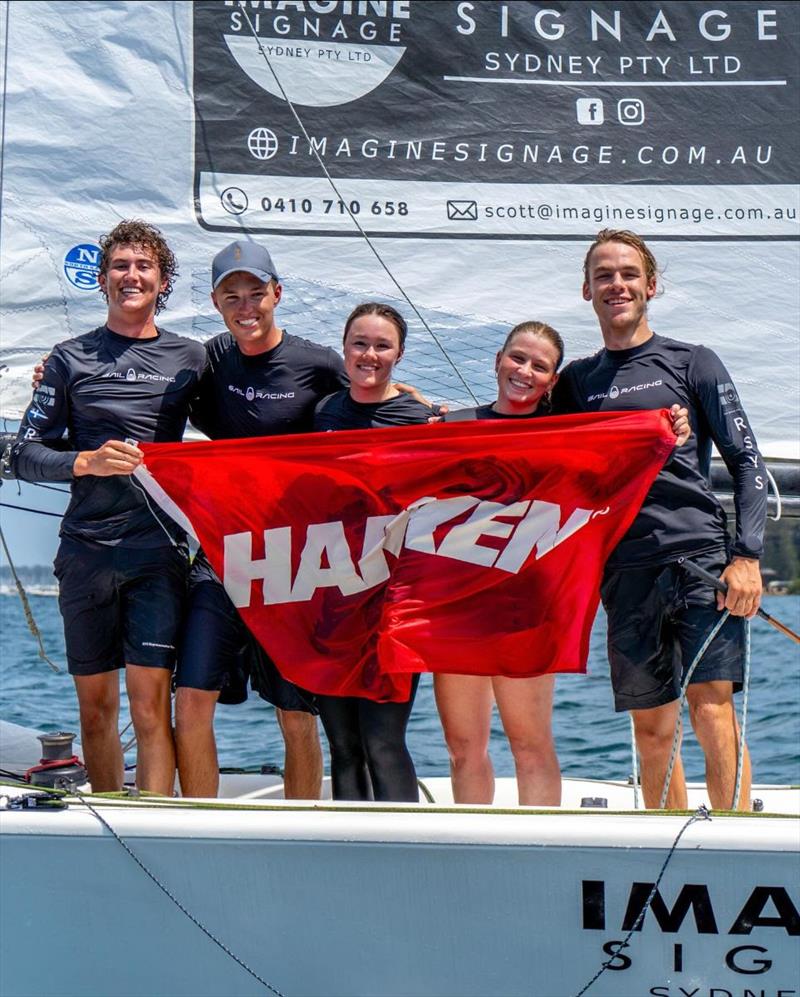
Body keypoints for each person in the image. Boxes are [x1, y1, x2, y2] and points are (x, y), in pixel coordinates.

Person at [553, 228, 767, 811]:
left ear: (650, 285)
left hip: (701, 562)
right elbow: (529, 443)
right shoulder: (576, 382)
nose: (616, 284)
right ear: (586, 290)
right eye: (603, 275)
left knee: (710, 710)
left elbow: (746, 460)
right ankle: (662, 851)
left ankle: (732, 845)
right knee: (653, 730)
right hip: (625, 571)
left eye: (627, 274)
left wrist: (746, 557)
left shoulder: (693, 362)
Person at [12, 220, 207, 795]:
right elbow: (21, 454)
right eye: (120, 266)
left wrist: (404, 402)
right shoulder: (69, 359)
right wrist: (84, 462)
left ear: (162, 280)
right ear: (101, 280)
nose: (132, 275)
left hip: (157, 553)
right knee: (96, 709)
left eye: (144, 266)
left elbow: (255, 416)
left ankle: (153, 825)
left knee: (150, 710)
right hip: (86, 553)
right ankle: (112, 817)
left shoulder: (192, 358)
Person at [175, 240, 348, 799]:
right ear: (216, 303)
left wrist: (416, 405)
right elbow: (147, 393)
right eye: (232, 296)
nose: (245, 306)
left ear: (278, 293)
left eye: (256, 293)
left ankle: (302, 832)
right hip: (221, 553)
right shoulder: (210, 360)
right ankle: (199, 830)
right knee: (191, 700)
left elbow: (373, 401)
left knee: (295, 715)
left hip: (292, 564)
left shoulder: (319, 364)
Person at [438, 321, 565, 805]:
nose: (525, 371)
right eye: (517, 358)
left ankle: (542, 857)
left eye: (539, 366)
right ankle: (476, 859)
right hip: (458, 607)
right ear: (497, 360)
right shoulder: (450, 428)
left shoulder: (565, 433)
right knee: (463, 748)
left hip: (526, 610)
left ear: (552, 381)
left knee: (529, 744)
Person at [313, 302, 432, 802]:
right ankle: (350, 856)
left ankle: (403, 855)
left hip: (393, 602)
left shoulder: (420, 418)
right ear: (344, 348)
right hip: (330, 596)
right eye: (360, 343)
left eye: (382, 345)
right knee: (343, 745)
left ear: (399, 354)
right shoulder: (321, 413)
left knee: (382, 740)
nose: (370, 354)